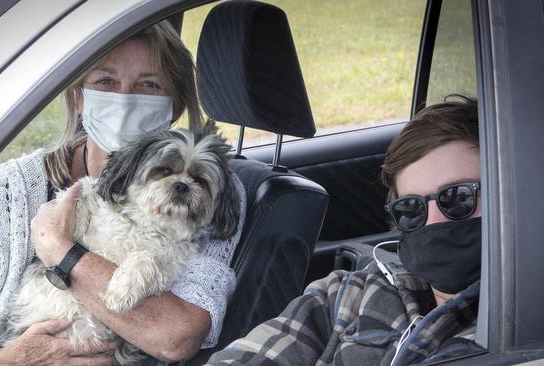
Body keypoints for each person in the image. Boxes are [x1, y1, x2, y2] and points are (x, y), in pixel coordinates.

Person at [0, 21, 246, 365]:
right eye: (105, 81)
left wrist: (60, 249)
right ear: (79, 96)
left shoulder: (211, 194)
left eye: (148, 84)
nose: (125, 99)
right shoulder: (15, 187)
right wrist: (1, 360)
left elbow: (176, 337)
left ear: (174, 105)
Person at [206, 95, 482, 366]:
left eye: (458, 198)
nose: (432, 221)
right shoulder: (347, 293)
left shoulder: (509, 329)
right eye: (411, 209)